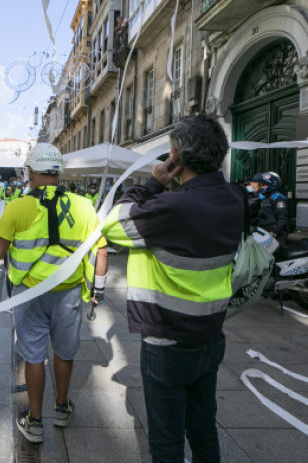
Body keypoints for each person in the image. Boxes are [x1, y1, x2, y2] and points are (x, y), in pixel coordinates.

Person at [101, 115, 243, 462]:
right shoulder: (235, 199)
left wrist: (151, 183)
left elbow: (113, 225)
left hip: (168, 339)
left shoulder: (173, 207)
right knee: (203, 430)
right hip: (210, 335)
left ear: (176, 157)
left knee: (166, 442)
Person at [0, 143, 107, 444]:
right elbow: (101, 251)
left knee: (34, 356)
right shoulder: (84, 205)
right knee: (64, 353)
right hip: (67, 295)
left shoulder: (17, 206)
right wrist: (99, 292)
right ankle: (63, 409)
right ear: (59, 172)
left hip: (29, 294)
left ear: (31, 173)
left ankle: (36, 421)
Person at [252, 171, 289, 247]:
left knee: (278, 255)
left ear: (272, 185)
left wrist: (274, 233)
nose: (261, 187)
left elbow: (282, 219)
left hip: (277, 234)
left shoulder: (278, 198)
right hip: (264, 231)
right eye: (260, 184)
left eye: (264, 185)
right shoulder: (262, 197)